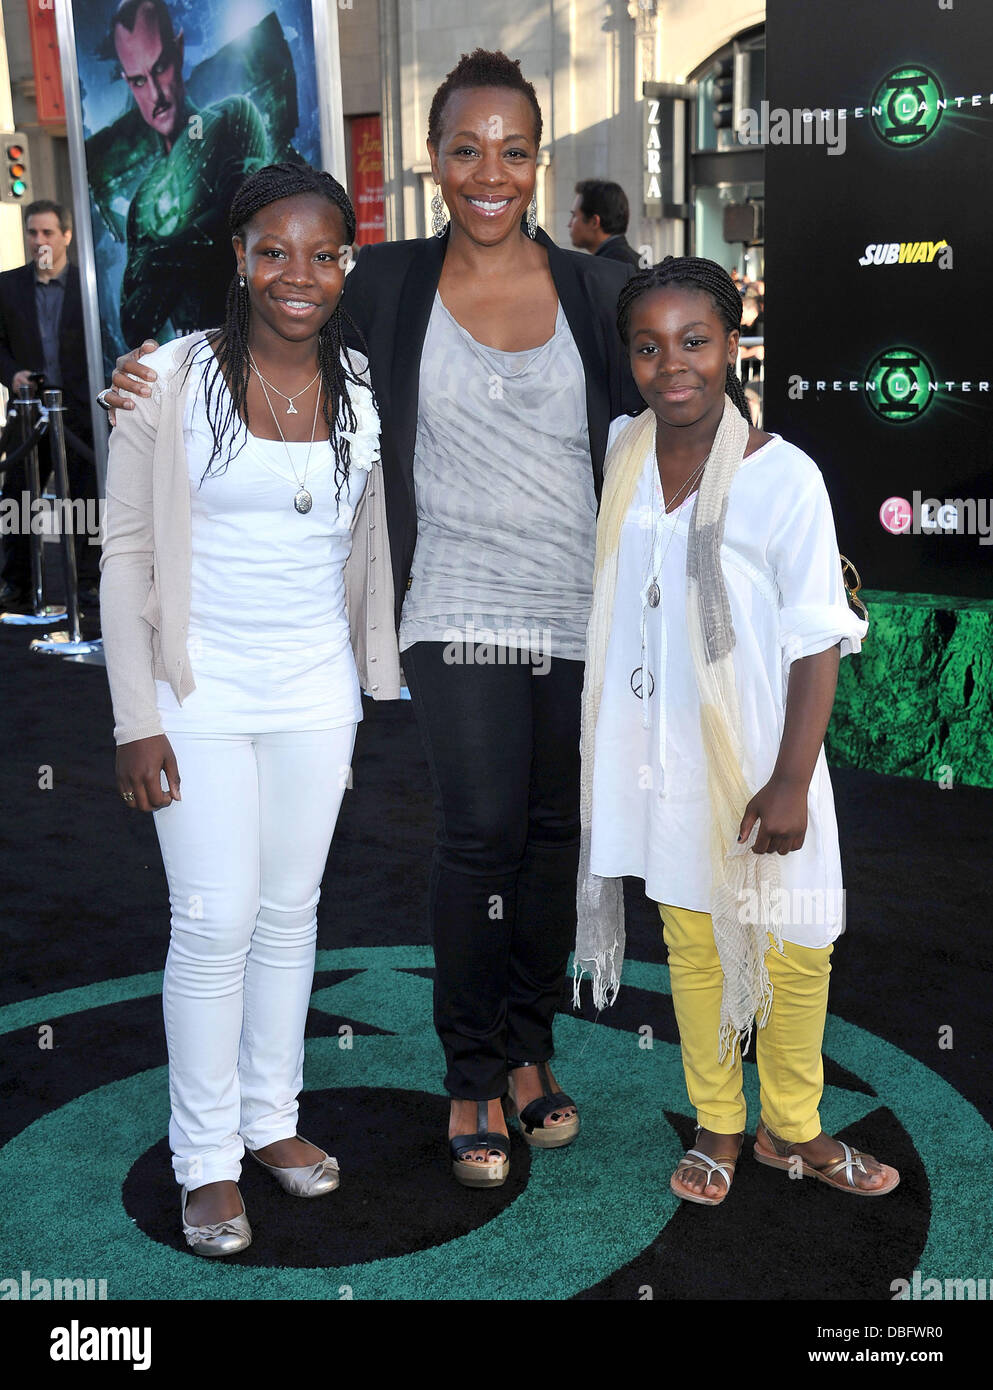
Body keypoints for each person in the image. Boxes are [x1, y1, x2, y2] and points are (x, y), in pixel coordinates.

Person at [100, 161, 398, 1256]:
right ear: (237, 257)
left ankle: (273, 1120)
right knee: (214, 918)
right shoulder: (166, 380)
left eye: (324, 253)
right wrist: (136, 717)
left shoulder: (363, 386)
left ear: (348, 263)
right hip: (196, 694)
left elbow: (358, 540)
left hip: (317, 690)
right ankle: (206, 1158)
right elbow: (126, 553)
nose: (298, 274)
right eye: (273, 250)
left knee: (289, 912)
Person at [575, 256, 900, 1204]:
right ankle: (718, 1121)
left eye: (694, 341)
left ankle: (791, 1128)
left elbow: (816, 640)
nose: (671, 364)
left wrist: (791, 778)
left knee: (797, 947)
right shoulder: (621, 453)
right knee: (694, 943)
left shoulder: (784, 476)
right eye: (648, 346)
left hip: (765, 754)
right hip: (655, 752)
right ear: (628, 358)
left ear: (729, 347)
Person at [110, 0, 269, 343]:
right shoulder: (142, 201)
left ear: (179, 50)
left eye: (161, 67)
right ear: (127, 82)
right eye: (138, 81)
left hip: (254, 358)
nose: (155, 95)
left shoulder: (230, 118)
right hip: (183, 376)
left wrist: (159, 255)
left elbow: (254, 225)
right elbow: (134, 323)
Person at [0, 200, 99, 610]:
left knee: (85, 503)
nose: (39, 240)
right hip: (27, 412)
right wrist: (13, 375)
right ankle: (16, 584)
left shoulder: (88, 287)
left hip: (79, 412)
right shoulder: (6, 286)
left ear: (66, 236)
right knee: (18, 502)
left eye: (48, 233)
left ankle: (88, 585)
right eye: (32, 233)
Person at [568, 179, 642, 269]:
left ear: (594, 222)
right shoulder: (637, 261)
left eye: (574, 216)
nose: (569, 224)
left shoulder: (606, 267)